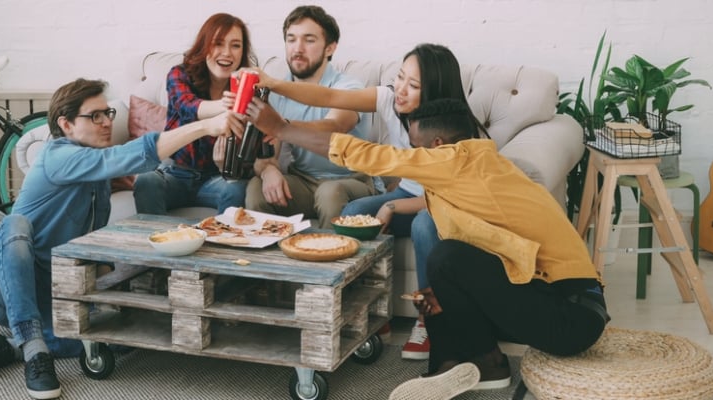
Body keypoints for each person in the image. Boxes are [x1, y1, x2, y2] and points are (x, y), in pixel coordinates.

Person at [249, 98, 608, 392]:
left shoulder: (456, 161)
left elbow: (366, 154)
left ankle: (473, 362)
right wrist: (390, 206)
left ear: (438, 148)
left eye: (416, 148)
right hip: (559, 304)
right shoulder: (479, 166)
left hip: (570, 320)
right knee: (442, 271)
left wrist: (281, 129)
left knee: (448, 257)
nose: (412, 155)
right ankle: (474, 364)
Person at [0, 78, 229, 399]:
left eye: (107, 113)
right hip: (3, 287)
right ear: (65, 124)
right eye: (95, 116)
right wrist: (205, 126)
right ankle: (34, 350)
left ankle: (9, 347)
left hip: (53, 287)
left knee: (118, 337)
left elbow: (92, 238)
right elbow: (132, 156)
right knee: (15, 224)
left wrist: (117, 293)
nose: (107, 122)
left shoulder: (97, 177)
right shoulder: (58, 157)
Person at [250, 43, 474, 361]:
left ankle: (429, 319)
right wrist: (272, 83)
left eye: (413, 86)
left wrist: (391, 206)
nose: (401, 90)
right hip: (406, 194)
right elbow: (329, 97)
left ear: (435, 92)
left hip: (442, 206)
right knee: (354, 213)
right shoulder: (388, 99)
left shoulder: (452, 131)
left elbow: (447, 198)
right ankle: (363, 310)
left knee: (425, 225)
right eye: (400, 78)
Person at [241, 5, 375, 229]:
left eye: (309, 40)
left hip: (352, 181)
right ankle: (270, 262)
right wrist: (268, 170)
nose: (297, 48)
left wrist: (282, 126)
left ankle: (330, 261)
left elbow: (336, 126)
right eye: (291, 39)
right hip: (303, 181)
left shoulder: (348, 87)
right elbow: (266, 153)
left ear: (330, 48)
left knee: (330, 192)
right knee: (256, 188)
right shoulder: (275, 96)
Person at [134, 13, 254, 215]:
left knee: (236, 188)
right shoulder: (179, 74)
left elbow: (251, 152)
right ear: (204, 46)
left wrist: (228, 164)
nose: (226, 53)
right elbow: (187, 106)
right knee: (146, 181)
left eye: (235, 45)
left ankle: (223, 244)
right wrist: (226, 106)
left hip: (216, 177)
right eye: (218, 43)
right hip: (175, 172)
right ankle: (160, 242)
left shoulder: (249, 87)